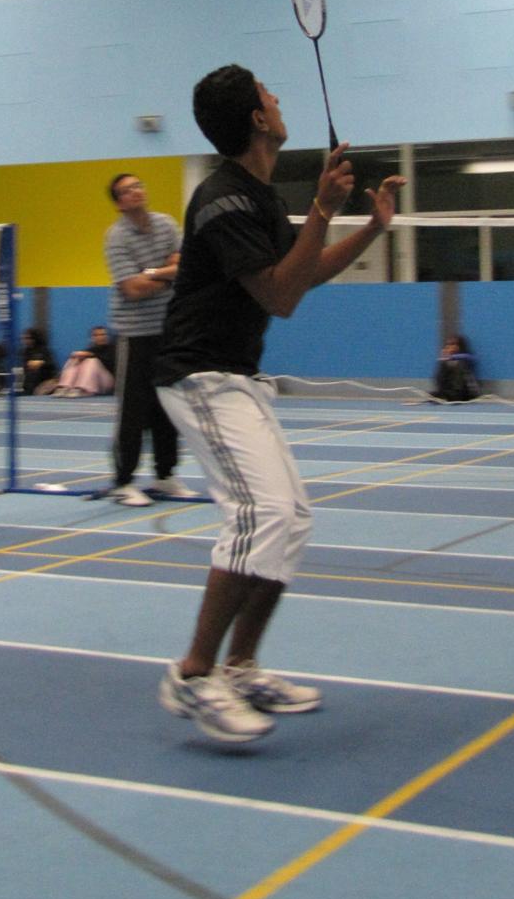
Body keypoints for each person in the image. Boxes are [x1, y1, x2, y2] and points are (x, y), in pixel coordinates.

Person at [153, 64, 404, 744]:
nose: (278, 97)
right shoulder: (221, 199)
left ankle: (238, 665)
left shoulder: (259, 197)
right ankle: (194, 673)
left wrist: (370, 227)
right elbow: (282, 298)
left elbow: (299, 273)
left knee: (290, 518)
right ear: (257, 120)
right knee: (257, 513)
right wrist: (322, 207)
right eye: (268, 94)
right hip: (197, 376)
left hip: (235, 375)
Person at [103, 171, 192, 507]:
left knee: (167, 407)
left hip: (167, 330)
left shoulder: (167, 225)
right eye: (127, 191)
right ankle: (123, 481)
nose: (136, 192)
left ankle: (165, 475)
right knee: (132, 410)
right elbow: (132, 289)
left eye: (138, 185)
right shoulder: (116, 237)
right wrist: (164, 273)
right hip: (133, 333)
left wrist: (152, 273)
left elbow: (183, 266)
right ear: (118, 203)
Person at [50, 325, 115, 396]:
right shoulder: (90, 350)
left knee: (92, 361)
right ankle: (65, 386)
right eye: (96, 335)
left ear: (108, 336)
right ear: (92, 338)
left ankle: (84, 389)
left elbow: (110, 363)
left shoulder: (113, 349)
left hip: (106, 382)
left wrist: (91, 355)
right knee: (76, 358)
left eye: (102, 334)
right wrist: (77, 356)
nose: (99, 337)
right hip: (92, 381)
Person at [431, 334, 480, 402]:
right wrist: (443, 360)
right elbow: (439, 379)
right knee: (433, 394)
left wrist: (451, 357)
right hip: (449, 392)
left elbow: (467, 357)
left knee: (460, 365)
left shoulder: (466, 359)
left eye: (452, 344)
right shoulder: (445, 362)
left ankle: (451, 395)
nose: (449, 347)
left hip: (466, 393)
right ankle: (446, 394)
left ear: (459, 346)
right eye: (447, 344)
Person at [20, 326, 57, 395]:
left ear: (34, 338)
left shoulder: (44, 350)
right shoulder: (25, 352)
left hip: (44, 379)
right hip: (30, 381)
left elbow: (52, 365)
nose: (25, 341)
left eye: (28, 338)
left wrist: (41, 363)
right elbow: (25, 366)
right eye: (24, 338)